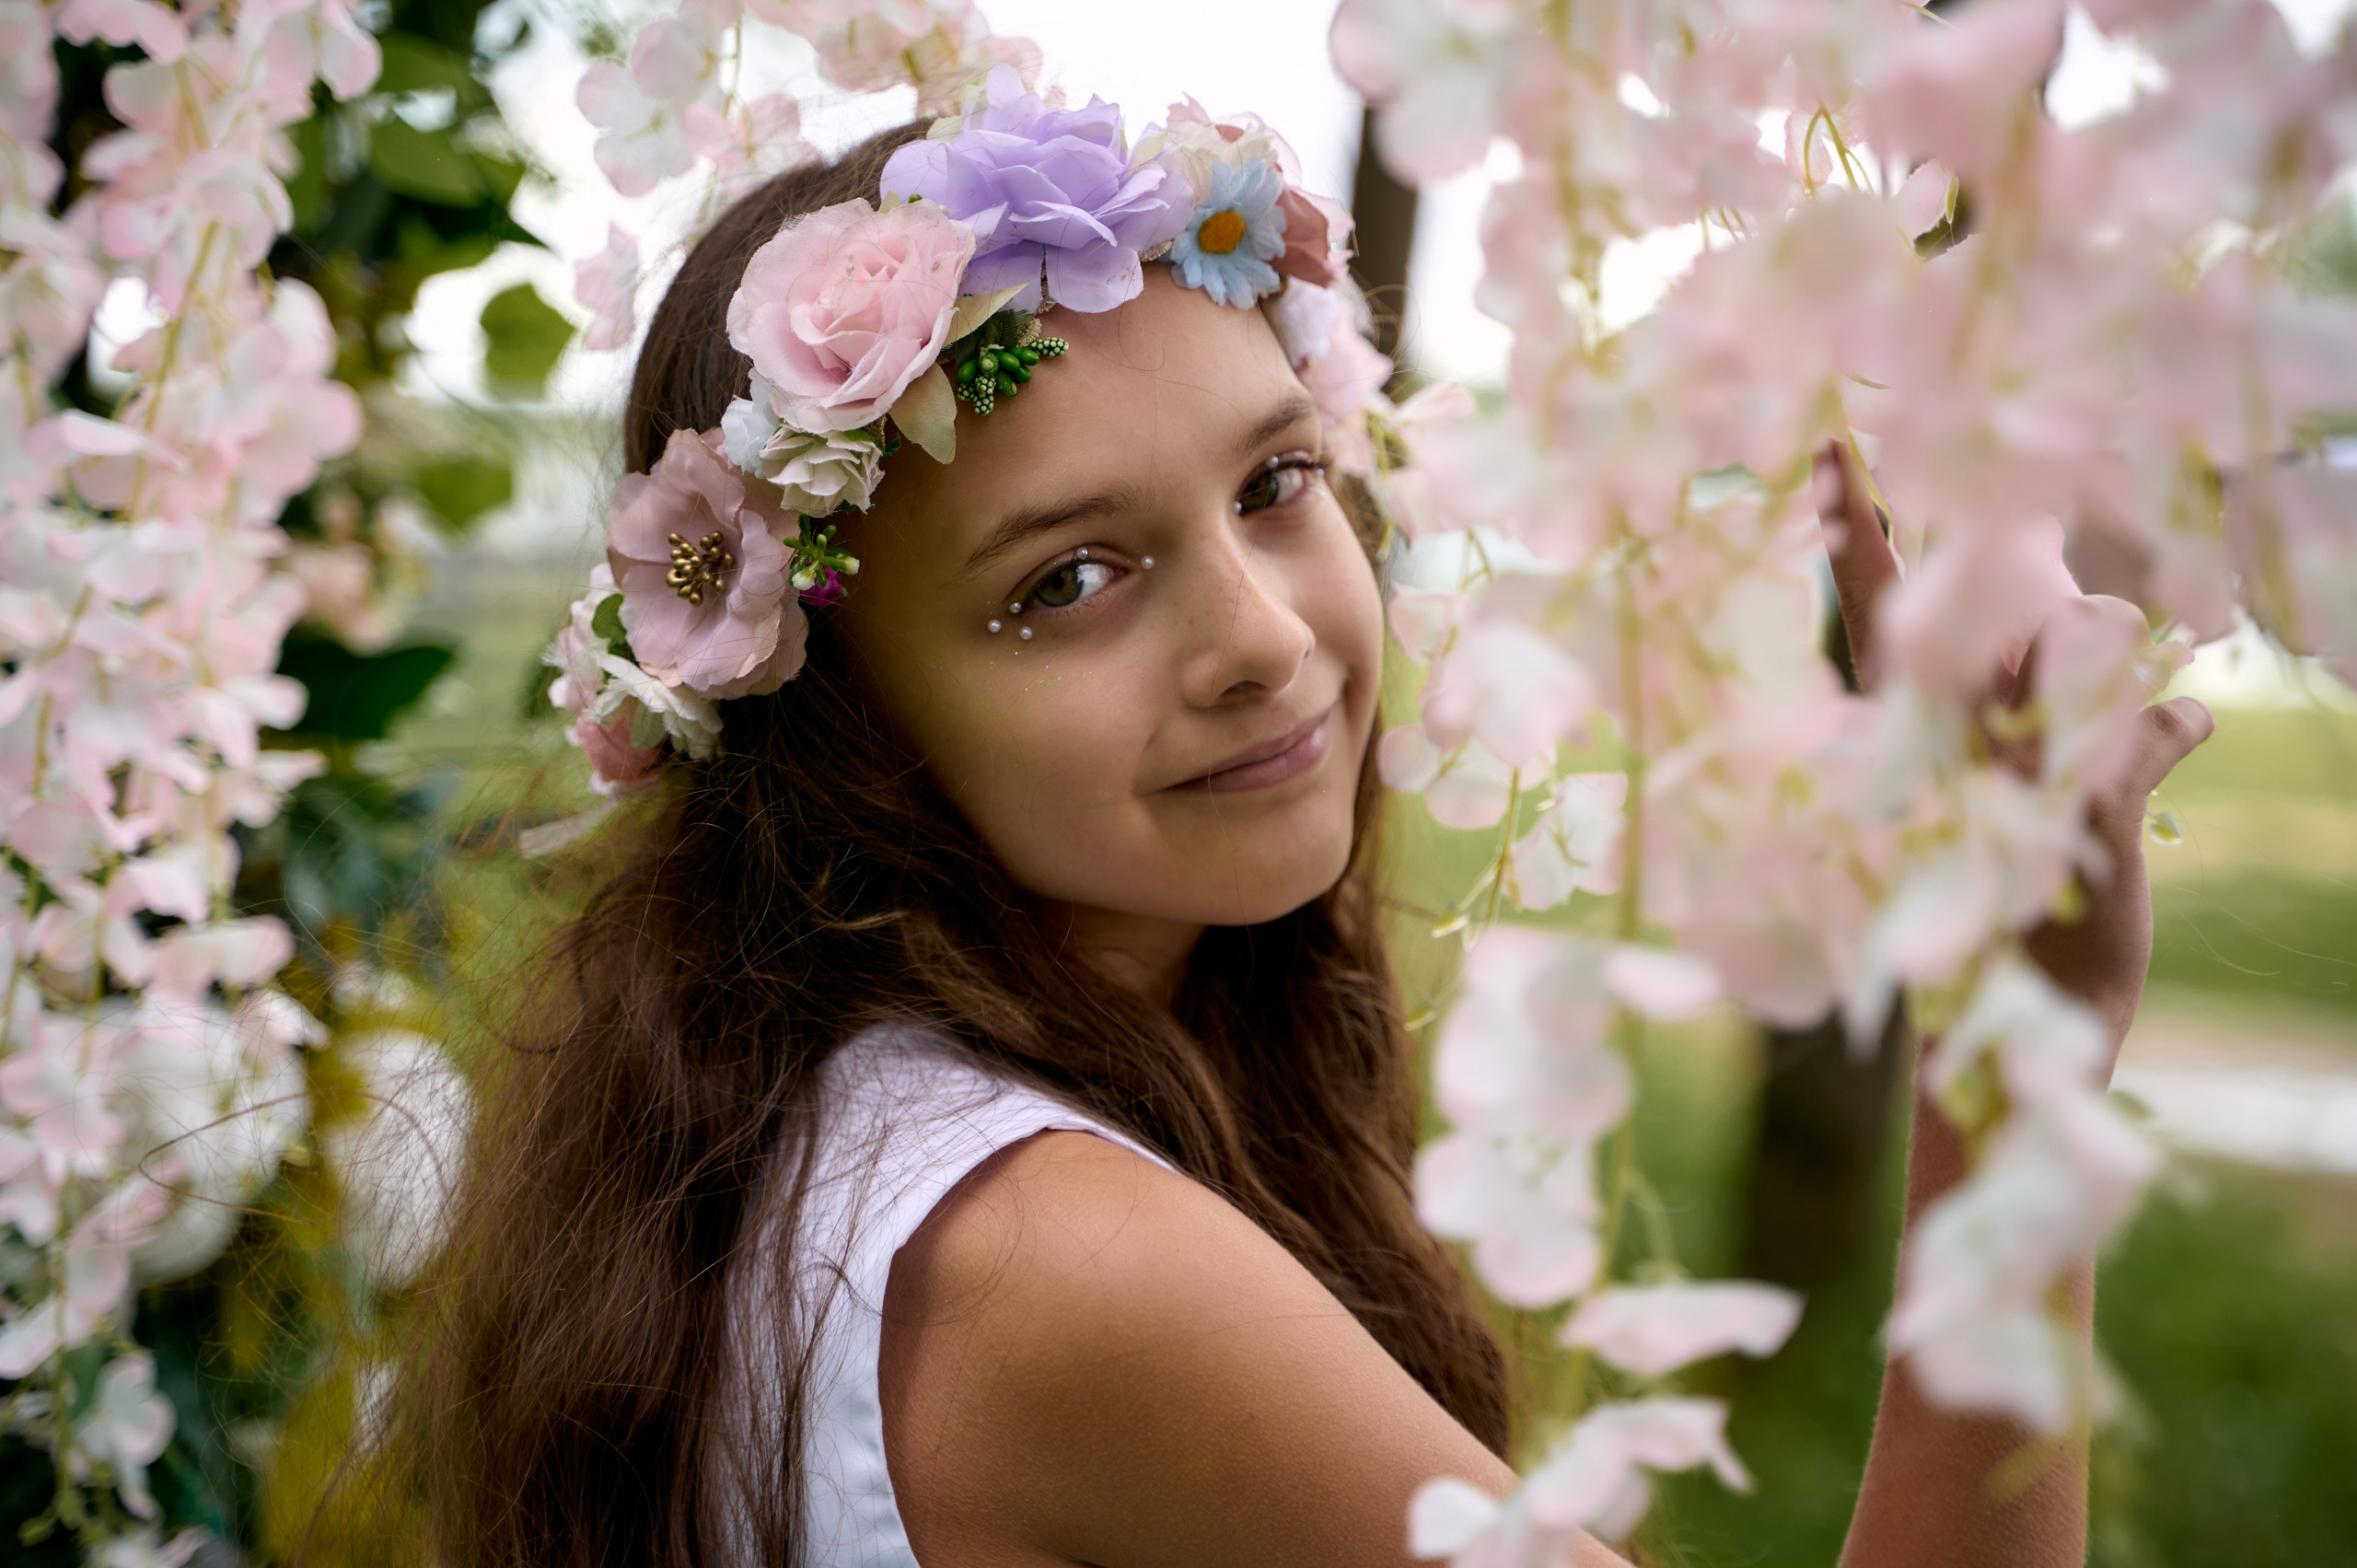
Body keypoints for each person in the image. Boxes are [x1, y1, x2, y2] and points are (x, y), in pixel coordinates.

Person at [401, 76, 2213, 1568]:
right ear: (835, 712)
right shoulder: (1059, 1269)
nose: (1264, 643)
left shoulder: (823, 1128)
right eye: (1071, 580)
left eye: (1275, 483)